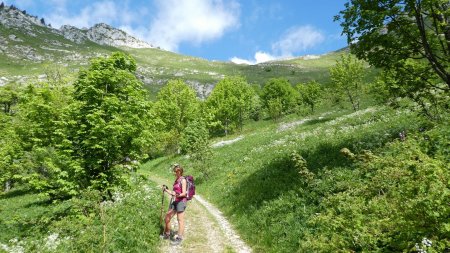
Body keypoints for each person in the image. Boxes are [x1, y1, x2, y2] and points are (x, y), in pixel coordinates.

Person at [162, 163, 188, 246]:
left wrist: (177, 195)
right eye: (175, 171)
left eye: (177, 171)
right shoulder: (176, 180)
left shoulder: (183, 180)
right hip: (175, 201)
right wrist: (166, 190)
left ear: (180, 171)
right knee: (167, 217)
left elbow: (184, 193)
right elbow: (174, 192)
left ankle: (179, 238)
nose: (175, 173)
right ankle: (167, 233)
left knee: (180, 220)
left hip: (181, 201)